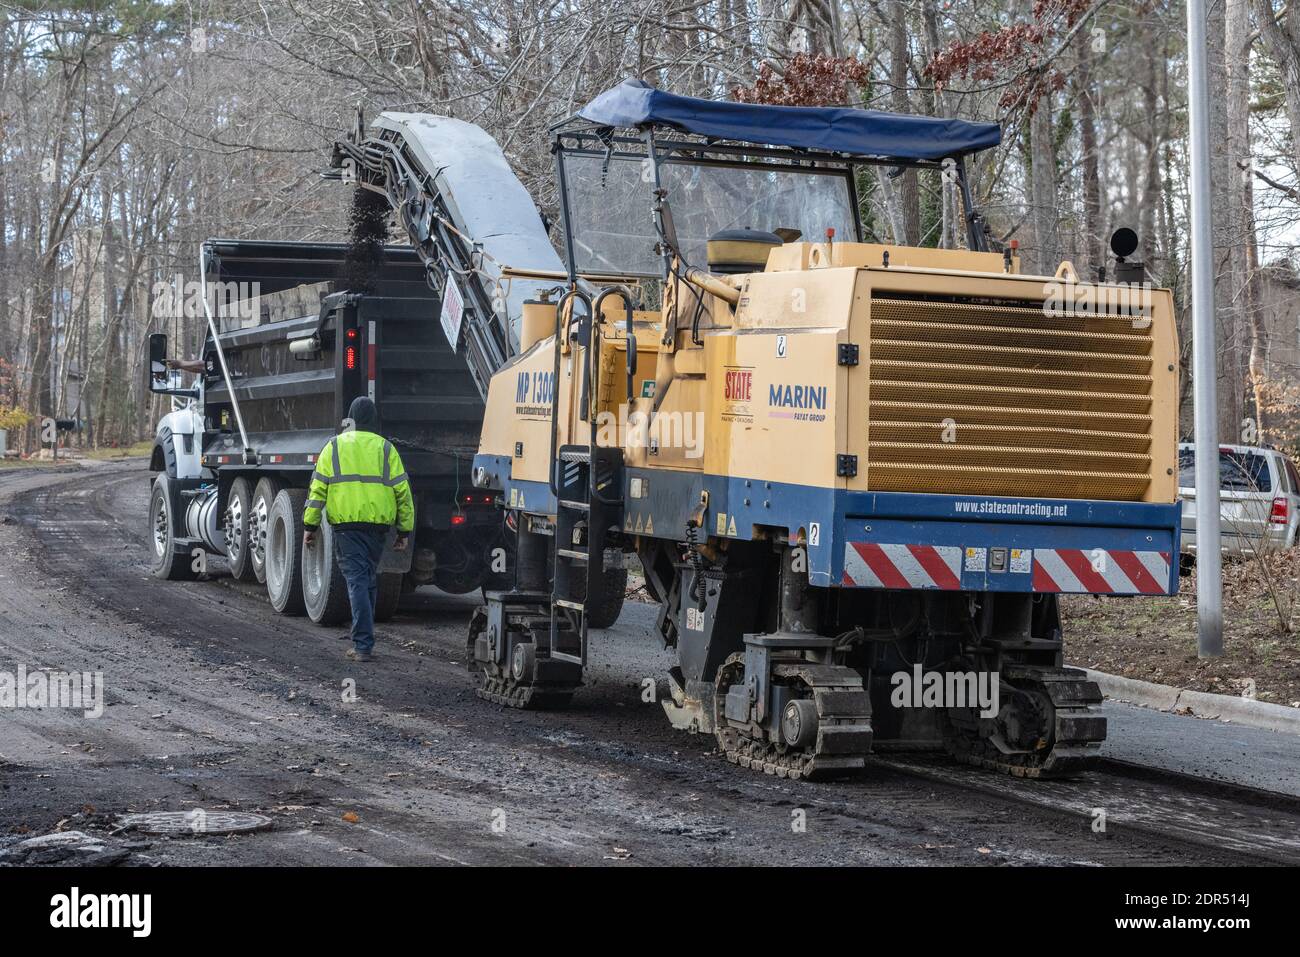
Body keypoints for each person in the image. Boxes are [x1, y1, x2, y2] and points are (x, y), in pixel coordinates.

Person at [303, 397, 414, 662]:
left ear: (350, 419)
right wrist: (404, 531)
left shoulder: (334, 447)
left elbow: (317, 490)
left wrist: (310, 525)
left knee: (357, 581)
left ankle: (363, 645)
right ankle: (366, 637)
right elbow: (403, 493)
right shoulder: (386, 449)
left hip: (347, 527)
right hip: (377, 528)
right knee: (368, 580)